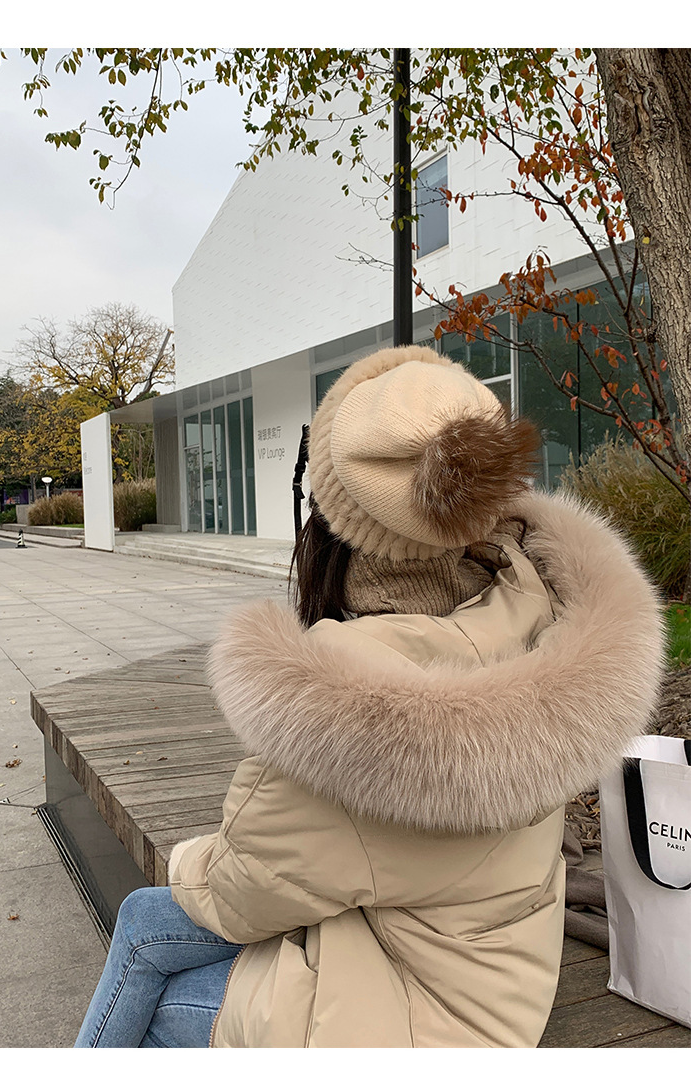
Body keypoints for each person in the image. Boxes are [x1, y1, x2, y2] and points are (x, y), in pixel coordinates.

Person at [75, 346, 664, 1048]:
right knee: (156, 931)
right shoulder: (539, 613)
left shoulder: (349, 696)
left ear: (336, 518)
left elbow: (242, 889)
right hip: (495, 978)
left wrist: (185, 859)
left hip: (412, 1017)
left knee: (150, 957)